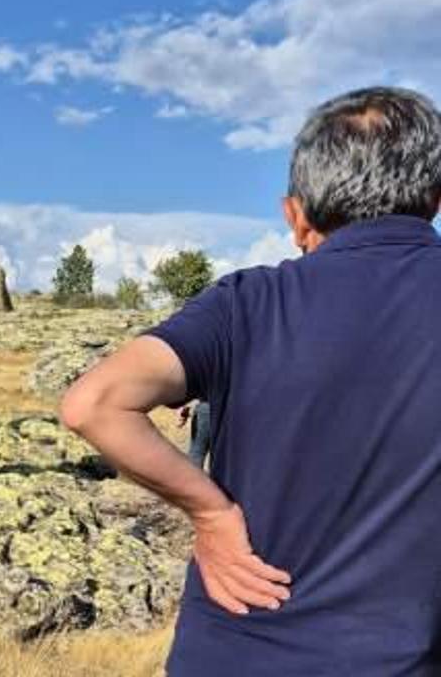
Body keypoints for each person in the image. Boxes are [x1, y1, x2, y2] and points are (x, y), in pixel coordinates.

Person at [59, 86, 441, 675]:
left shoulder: (247, 303)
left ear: (296, 214)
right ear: (435, 198)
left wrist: (211, 514)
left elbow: (94, 403)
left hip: (229, 651)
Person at [178, 401, 213, 469]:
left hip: (205, 408)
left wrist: (185, 409)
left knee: (197, 453)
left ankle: (190, 478)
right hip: (228, 410)